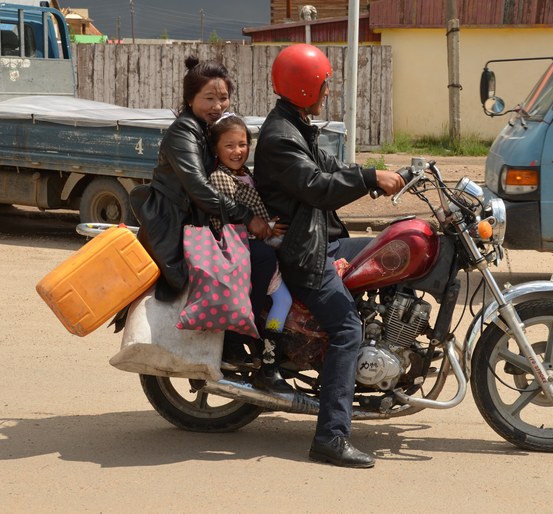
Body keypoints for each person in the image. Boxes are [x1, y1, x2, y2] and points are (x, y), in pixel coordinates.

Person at [253, 43, 405, 468]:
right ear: (305, 87)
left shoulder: (296, 124)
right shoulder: (281, 137)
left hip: (321, 238)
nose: (327, 90)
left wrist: (377, 176)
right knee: (346, 330)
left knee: (392, 251)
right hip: (302, 251)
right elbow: (318, 186)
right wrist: (371, 177)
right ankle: (330, 437)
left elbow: (330, 169)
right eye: (323, 83)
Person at [131, 57, 277, 361]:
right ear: (190, 99)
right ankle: (235, 340)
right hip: (175, 229)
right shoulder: (183, 133)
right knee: (261, 257)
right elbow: (199, 188)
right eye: (209, 98)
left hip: (195, 222)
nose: (218, 105)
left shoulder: (205, 129)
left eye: (223, 98)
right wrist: (247, 218)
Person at [206, 112, 293, 391]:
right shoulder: (220, 179)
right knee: (267, 300)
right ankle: (245, 336)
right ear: (216, 149)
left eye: (242, 144)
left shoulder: (245, 174)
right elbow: (222, 224)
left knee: (284, 302)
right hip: (244, 257)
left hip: (264, 252)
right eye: (229, 145)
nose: (237, 151)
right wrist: (263, 228)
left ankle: (270, 360)